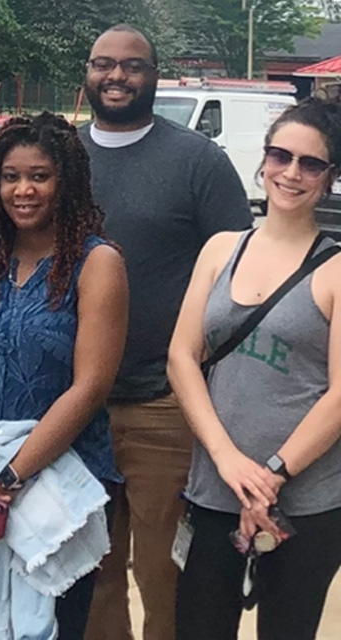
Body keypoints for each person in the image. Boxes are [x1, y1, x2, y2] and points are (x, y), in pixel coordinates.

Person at [78, 25, 254, 640]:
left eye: (133, 66)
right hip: (75, 408)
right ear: (89, 72)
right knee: (90, 571)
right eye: (104, 64)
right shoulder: (64, 160)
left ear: (156, 74)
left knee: (165, 573)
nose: (117, 76)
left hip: (166, 406)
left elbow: (240, 276)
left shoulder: (197, 162)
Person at [0, 113, 128, 638]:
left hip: (62, 478)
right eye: (10, 176)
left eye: (39, 176)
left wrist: (9, 479)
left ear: (65, 182)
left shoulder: (96, 264)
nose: (23, 190)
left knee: (56, 627)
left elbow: (89, 389)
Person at [167, 98, 341, 640]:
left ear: (330, 178)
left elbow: (340, 395)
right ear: (263, 161)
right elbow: (181, 356)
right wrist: (227, 460)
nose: (291, 173)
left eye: (310, 163)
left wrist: (269, 478)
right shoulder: (222, 249)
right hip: (215, 489)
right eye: (281, 156)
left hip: (304, 502)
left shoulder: (335, 269)